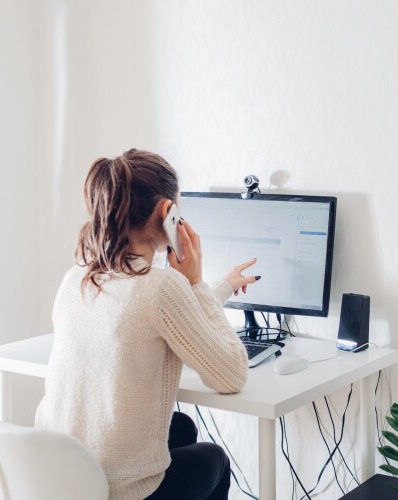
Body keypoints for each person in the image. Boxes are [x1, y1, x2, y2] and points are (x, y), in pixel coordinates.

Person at [35, 149, 259, 500]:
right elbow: (232, 375)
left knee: (181, 428)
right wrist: (196, 283)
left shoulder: (76, 277)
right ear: (167, 212)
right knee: (215, 459)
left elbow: (170, 317)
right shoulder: (162, 287)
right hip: (119, 490)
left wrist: (223, 286)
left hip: (64, 480)